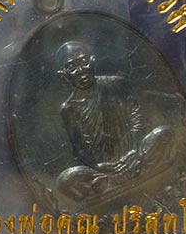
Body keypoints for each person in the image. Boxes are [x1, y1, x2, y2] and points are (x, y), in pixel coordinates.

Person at [55, 41, 173, 200]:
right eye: (71, 67)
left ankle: (112, 183)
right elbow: (79, 149)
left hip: (135, 154)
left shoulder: (115, 83)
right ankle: (112, 181)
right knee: (65, 180)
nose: (80, 70)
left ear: (92, 61)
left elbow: (137, 117)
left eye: (83, 62)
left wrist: (134, 149)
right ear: (63, 75)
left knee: (164, 133)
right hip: (105, 170)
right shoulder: (69, 108)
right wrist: (99, 165)